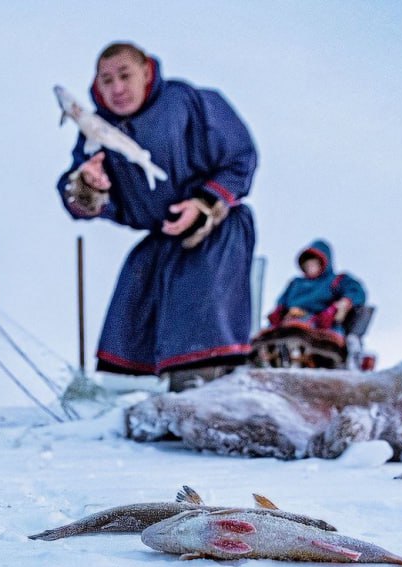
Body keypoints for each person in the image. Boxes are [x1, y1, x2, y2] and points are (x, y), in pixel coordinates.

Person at [56, 42, 259, 392]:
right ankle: (139, 405)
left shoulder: (189, 102)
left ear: (147, 71)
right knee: (132, 320)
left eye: (125, 75)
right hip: (161, 237)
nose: (116, 88)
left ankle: (207, 401)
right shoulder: (96, 129)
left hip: (214, 230)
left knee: (201, 319)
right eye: (106, 80)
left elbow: (241, 155)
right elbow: (79, 195)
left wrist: (205, 204)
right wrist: (89, 186)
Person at [263, 239, 366, 348]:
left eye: (314, 264)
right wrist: (278, 310)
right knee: (267, 335)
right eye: (307, 264)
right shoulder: (296, 283)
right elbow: (282, 300)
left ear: (324, 263)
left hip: (321, 323)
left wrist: (339, 306)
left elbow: (356, 292)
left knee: (318, 336)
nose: (310, 267)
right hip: (290, 320)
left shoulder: (336, 280)